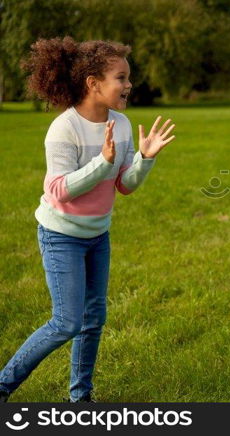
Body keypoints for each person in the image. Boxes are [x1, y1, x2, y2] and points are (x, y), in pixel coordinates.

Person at [0, 37, 175, 402]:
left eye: (128, 77)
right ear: (93, 83)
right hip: (60, 234)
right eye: (120, 78)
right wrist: (103, 163)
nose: (129, 85)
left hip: (98, 234)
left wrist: (145, 158)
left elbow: (125, 186)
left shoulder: (122, 125)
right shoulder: (65, 129)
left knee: (93, 320)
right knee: (66, 322)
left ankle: (81, 399)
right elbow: (60, 189)